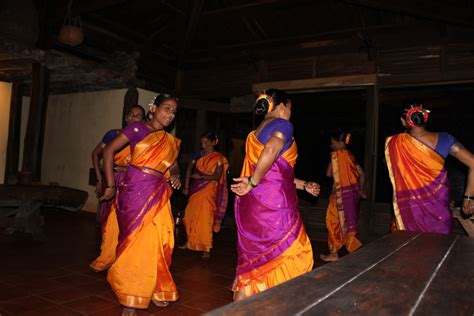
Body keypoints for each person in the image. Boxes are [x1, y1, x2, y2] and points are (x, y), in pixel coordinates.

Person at [231, 89, 321, 301]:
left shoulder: (255, 133)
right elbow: (271, 151)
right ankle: (279, 304)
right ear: (281, 106)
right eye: (290, 107)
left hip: (253, 204)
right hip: (273, 207)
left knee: (254, 263)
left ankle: (244, 307)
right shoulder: (283, 125)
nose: (291, 112)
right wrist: (253, 181)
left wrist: (303, 184)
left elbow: (274, 173)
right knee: (297, 252)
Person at [100, 94, 181, 315]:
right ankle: (131, 295)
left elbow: (174, 166)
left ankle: (153, 288)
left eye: (173, 112)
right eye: (166, 108)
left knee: (160, 241)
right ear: (153, 108)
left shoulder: (169, 140)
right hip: (135, 191)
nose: (170, 114)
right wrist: (110, 185)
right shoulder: (137, 129)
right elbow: (108, 151)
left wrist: (176, 175)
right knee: (136, 243)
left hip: (158, 193)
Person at [385, 104, 474, 234]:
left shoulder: (395, 143)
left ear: (403, 121)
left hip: (410, 210)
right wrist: (468, 197)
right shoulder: (446, 139)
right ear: (424, 119)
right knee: (438, 248)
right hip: (439, 209)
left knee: (408, 249)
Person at [90, 105, 145, 272]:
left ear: (142, 121)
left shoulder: (143, 139)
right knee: (110, 220)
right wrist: (100, 179)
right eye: (131, 115)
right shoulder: (113, 135)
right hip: (113, 179)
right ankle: (107, 255)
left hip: (132, 183)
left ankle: (124, 257)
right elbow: (95, 154)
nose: (134, 118)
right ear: (126, 117)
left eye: (138, 116)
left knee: (128, 220)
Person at [181, 131, 229, 259]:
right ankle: (189, 242)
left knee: (205, 218)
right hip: (196, 188)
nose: (204, 145)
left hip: (209, 189)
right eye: (202, 142)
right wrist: (186, 185)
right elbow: (189, 169)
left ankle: (206, 247)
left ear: (214, 142)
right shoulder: (198, 155)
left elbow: (218, 176)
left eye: (207, 143)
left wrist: (202, 177)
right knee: (189, 215)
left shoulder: (219, 158)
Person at [320, 131, 365, 262]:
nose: (330, 145)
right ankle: (341, 251)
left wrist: (334, 159)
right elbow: (361, 174)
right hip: (351, 195)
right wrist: (359, 190)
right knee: (344, 223)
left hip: (341, 195)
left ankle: (340, 252)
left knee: (332, 221)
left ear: (339, 143)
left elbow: (328, 174)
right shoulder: (350, 156)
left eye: (333, 142)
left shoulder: (340, 156)